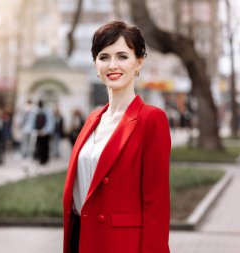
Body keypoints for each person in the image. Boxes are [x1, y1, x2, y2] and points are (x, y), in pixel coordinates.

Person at [62, 21, 171, 253]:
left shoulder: (151, 120)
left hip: (120, 245)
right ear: (95, 64)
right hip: (81, 239)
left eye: (122, 56)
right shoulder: (92, 120)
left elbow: (157, 205)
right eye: (104, 57)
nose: (112, 65)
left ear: (139, 62)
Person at [32, 100, 54, 166]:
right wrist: (37, 130)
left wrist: (45, 131)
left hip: (45, 133)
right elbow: (34, 122)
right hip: (39, 132)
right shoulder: (36, 111)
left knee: (45, 147)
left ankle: (44, 160)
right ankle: (40, 159)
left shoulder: (47, 111)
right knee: (39, 146)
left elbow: (50, 122)